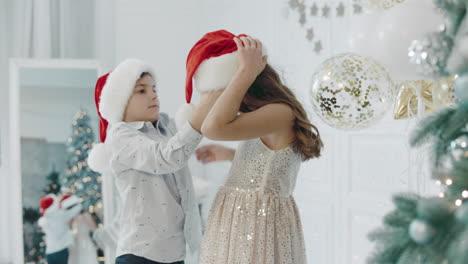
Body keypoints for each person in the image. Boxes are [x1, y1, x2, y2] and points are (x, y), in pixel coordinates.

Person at [185, 30, 324, 263]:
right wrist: (231, 155)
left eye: (224, 89)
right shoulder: (266, 114)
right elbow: (272, 161)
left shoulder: (280, 112)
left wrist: (244, 72)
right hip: (243, 215)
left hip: (255, 218)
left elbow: (211, 128)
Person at [87, 59, 221, 264]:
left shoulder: (165, 127)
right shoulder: (121, 135)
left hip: (175, 253)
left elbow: (181, 155)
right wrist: (202, 110)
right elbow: (166, 157)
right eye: (142, 91)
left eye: (154, 88)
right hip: (141, 254)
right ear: (120, 101)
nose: (153, 95)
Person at [38, 194, 82, 264]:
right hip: (61, 250)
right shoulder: (61, 215)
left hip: (50, 252)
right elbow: (78, 208)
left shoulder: (44, 220)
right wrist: (64, 203)